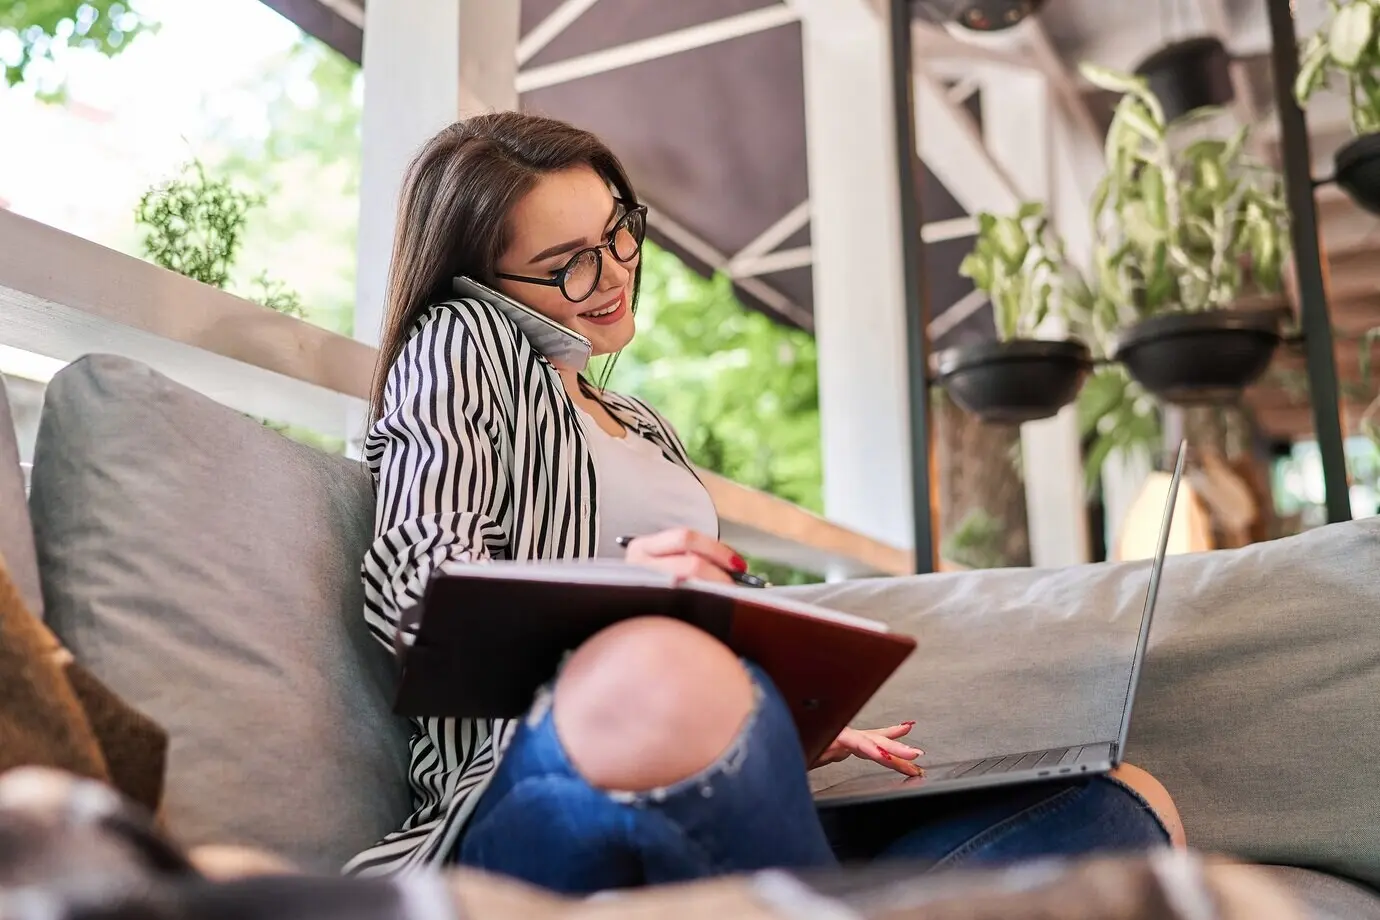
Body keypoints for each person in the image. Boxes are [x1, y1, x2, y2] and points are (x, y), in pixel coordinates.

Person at [345, 112, 1184, 891]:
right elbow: (420, 588)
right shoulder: (460, 339)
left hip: (689, 755)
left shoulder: (641, 424)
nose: (613, 275)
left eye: (617, 234)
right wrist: (626, 600)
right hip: (530, 787)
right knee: (660, 666)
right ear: (483, 280)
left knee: (1120, 804)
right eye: (569, 263)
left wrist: (782, 713)